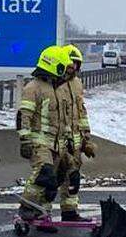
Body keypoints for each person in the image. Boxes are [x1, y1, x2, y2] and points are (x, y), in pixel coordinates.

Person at [16, 45, 74, 222]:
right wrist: (25, 141)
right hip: (39, 142)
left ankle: (42, 213)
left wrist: (69, 139)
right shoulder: (33, 88)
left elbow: (64, 118)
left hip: (57, 144)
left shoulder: (59, 89)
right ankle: (26, 206)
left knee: (58, 179)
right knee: (43, 172)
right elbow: (23, 116)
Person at [58, 44, 96, 221]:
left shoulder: (77, 84)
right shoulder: (56, 83)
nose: (73, 67)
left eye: (76, 64)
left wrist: (86, 138)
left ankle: (70, 211)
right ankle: (41, 213)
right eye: (71, 63)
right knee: (53, 178)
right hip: (58, 141)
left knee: (72, 180)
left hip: (75, 141)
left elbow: (81, 113)